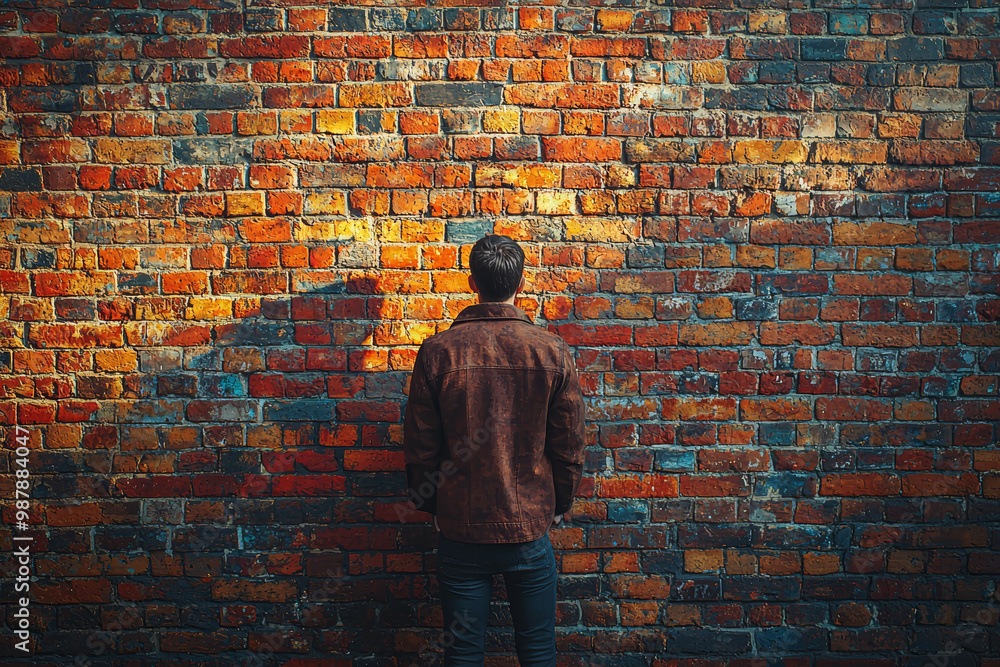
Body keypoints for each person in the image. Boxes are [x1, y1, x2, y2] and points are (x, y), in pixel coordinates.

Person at [402, 234, 587, 666]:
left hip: (460, 531)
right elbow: (569, 444)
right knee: (538, 648)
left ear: (472, 283)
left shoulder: (437, 352)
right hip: (528, 530)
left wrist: (431, 506)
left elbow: (420, 444)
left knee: (464, 653)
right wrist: (561, 502)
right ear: (520, 283)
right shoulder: (551, 351)